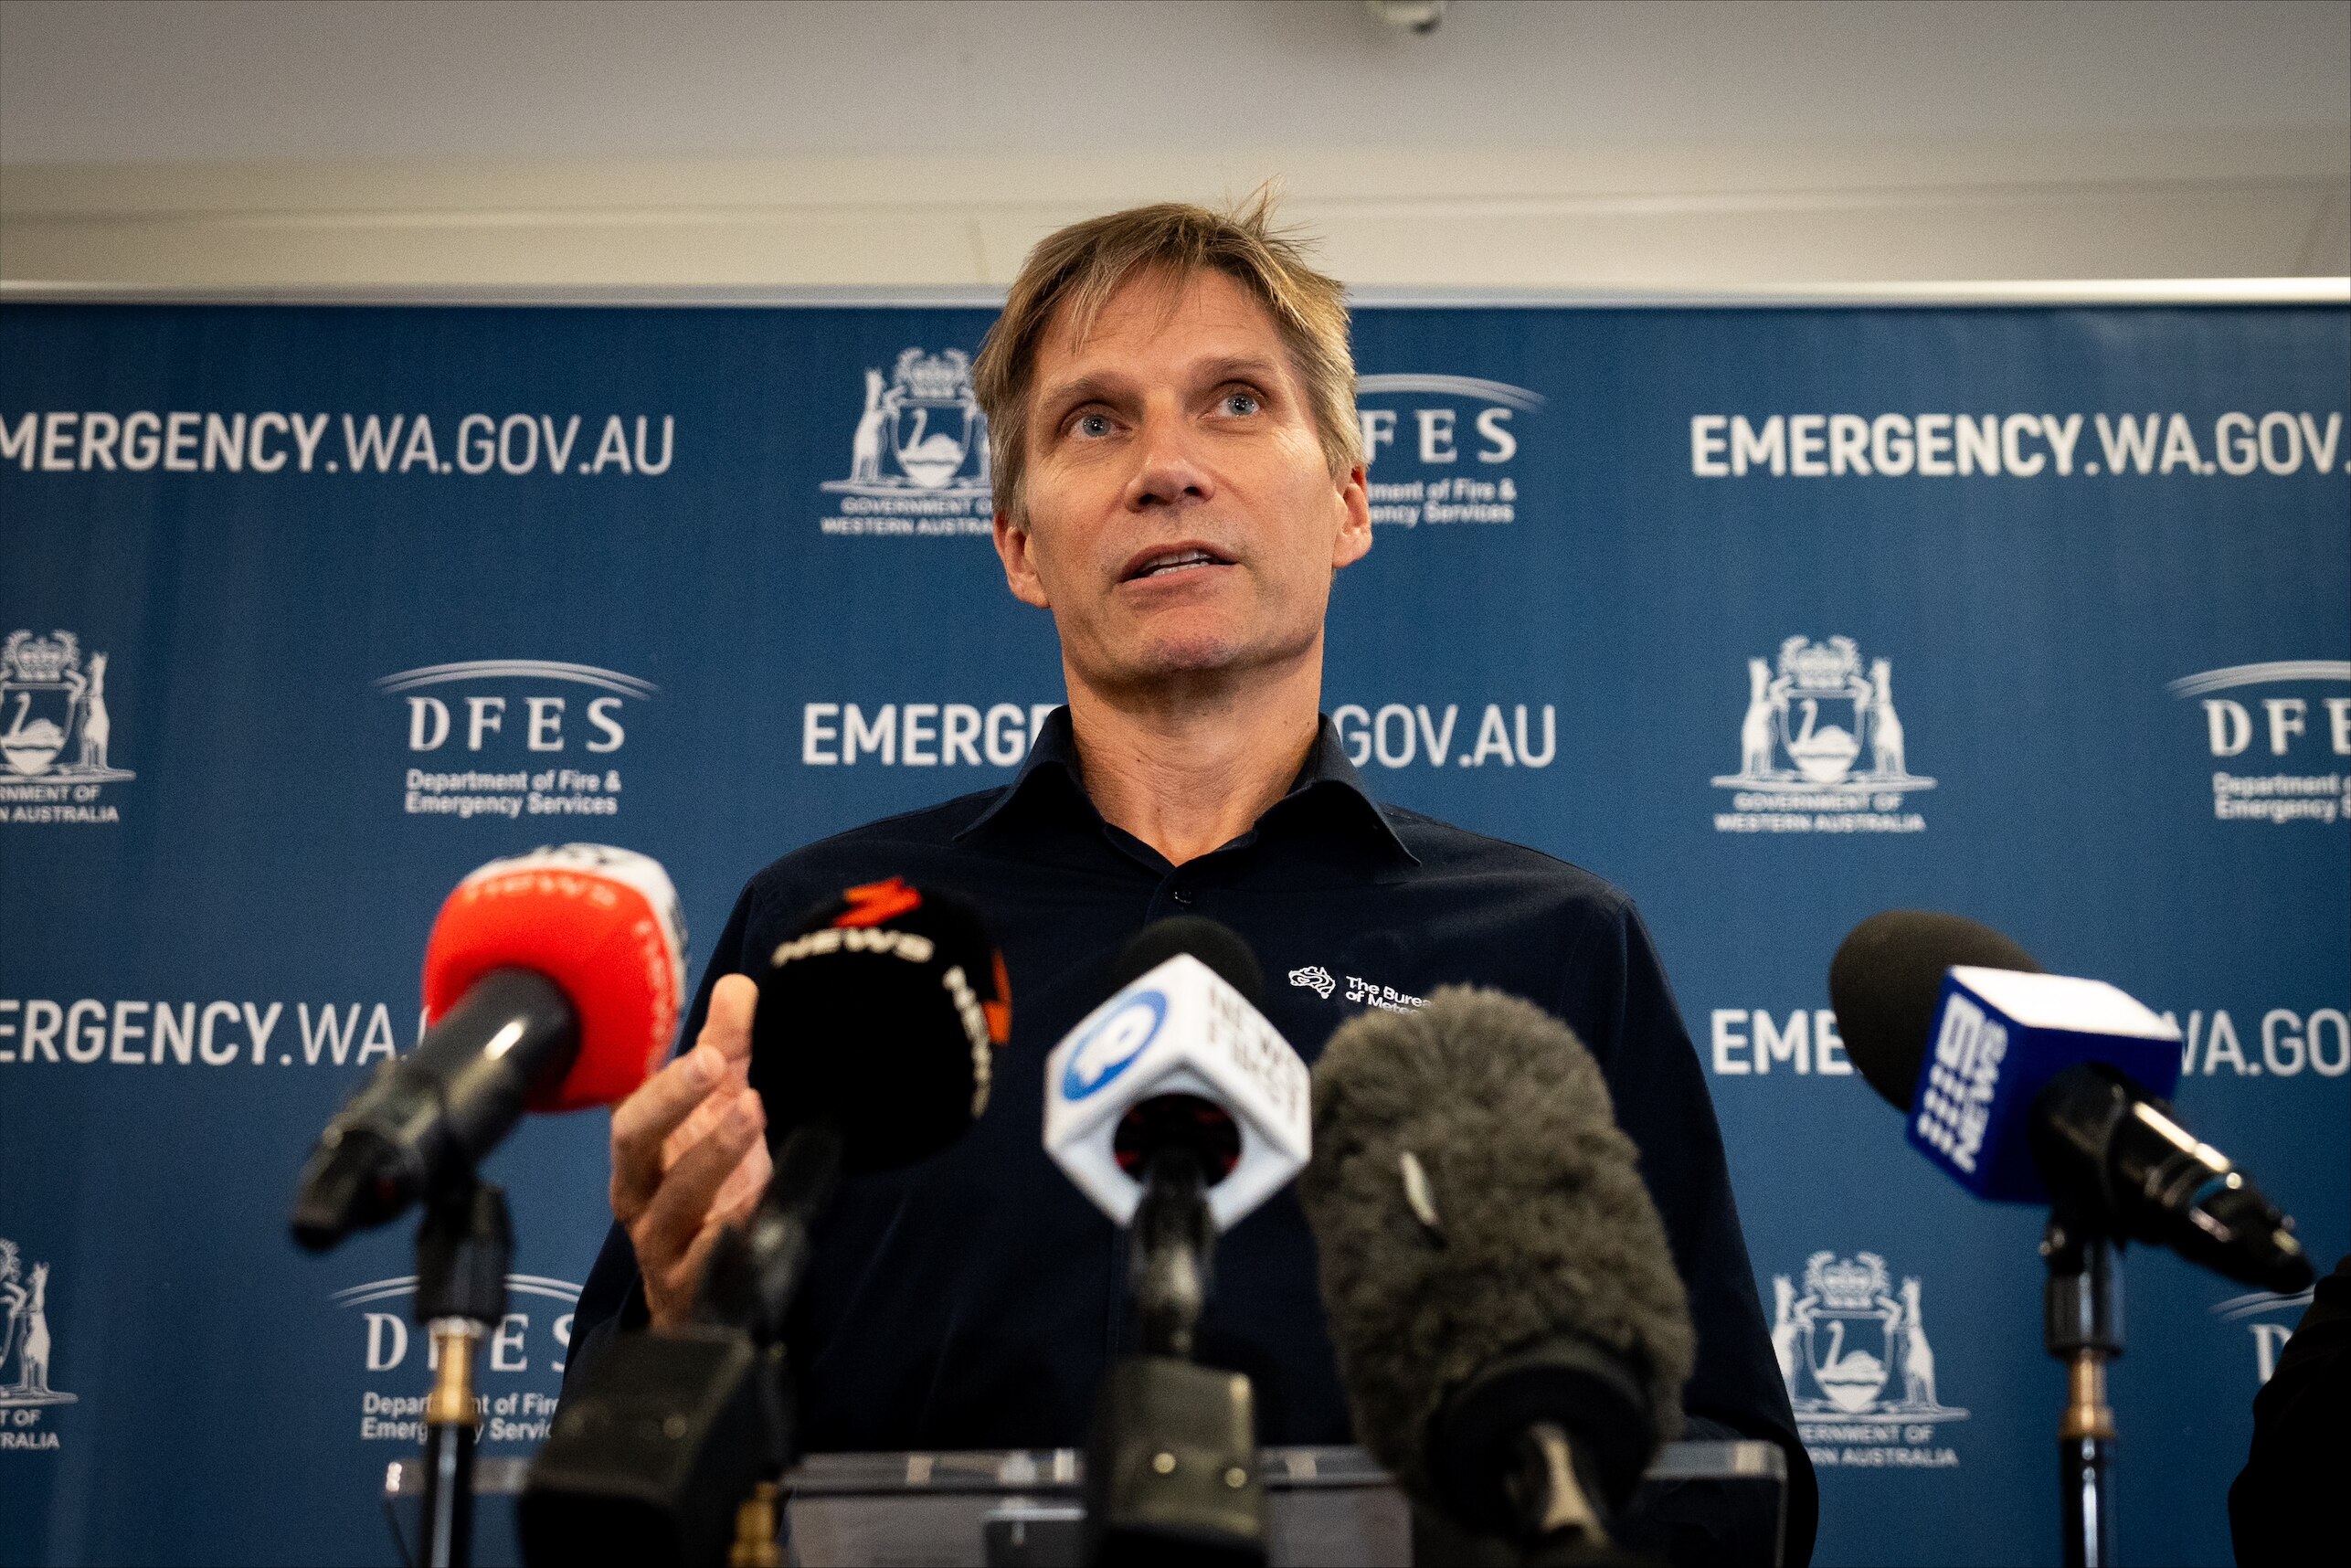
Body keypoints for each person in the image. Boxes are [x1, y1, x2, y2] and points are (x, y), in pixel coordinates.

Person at [567, 195, 1816, 1564]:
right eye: (1093, 421)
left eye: (1231, 402)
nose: (1166, 468)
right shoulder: (831, 934)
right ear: (1019, 545)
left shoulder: (1555, 949)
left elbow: (1718, 1471)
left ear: (1346, 499)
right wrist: (684, 1335)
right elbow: (625, 1459)